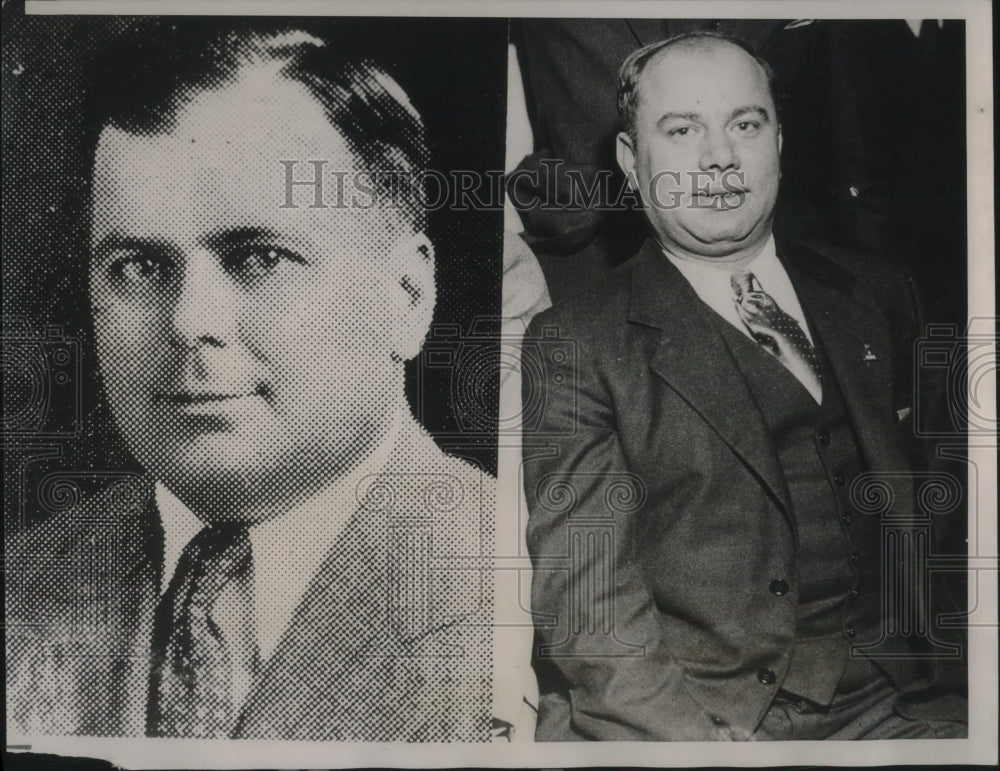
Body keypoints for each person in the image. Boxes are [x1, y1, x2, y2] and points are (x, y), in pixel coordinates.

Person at [6, 23, 504, 741]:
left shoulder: (533, 584)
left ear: (406, 297)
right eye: (139, 267)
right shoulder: (21, 582)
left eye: (260, 258)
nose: (189, 322)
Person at [523, 32, 967, 741]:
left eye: (746, 124)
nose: (719, 157)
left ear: (780, 143)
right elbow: (590, 607)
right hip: (710, 719)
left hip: (908, 701)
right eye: (682, 130)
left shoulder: (879, 291)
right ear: (632, 162)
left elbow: (954, 521)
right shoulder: (577, 343)